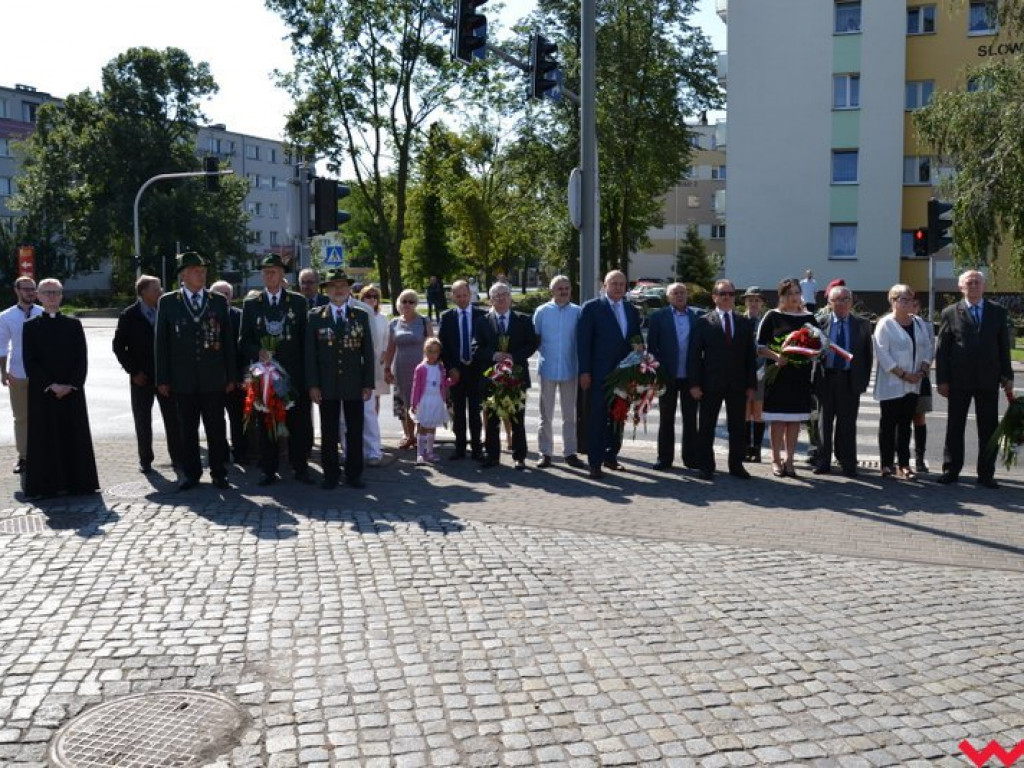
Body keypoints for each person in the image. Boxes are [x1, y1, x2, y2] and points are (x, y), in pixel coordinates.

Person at [154, 251, 236, 491]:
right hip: (183, 380)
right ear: (183, 274)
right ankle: (191, 473)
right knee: (187, 429)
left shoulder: (217, 301)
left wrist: (230, 375)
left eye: (203, 270)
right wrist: (163, 379)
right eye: (196, 271)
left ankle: (219, 473)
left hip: (213, 379)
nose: (201, 274)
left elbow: (228, 342)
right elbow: (161, 344)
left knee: (216, 428)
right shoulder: (168, 302)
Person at [935, 269, 1013, 488]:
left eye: (977, 282)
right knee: (955, 427)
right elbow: (942, 349)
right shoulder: (950, 312)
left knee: (988, 429)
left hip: (989, 379)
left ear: (984, 286)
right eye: (969, 282)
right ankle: (951, 470)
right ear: (961, 287)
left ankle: (986, 474)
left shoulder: (997, 311)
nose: (974, 285)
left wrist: (1007, 375)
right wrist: (942, 379)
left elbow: (1003, 346)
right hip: (959, 379)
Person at [22, 278, 99, 499]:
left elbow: (81, 358)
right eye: (47, 293)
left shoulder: (73, 325)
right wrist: (51, 385)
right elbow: (30, 361)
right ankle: (47, 486)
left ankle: (79, 482)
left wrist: (71, 384)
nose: (52, 296)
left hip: (71, 392)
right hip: (44, 393)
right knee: (45, 438)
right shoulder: (30, 327)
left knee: (73, 436)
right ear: (38, 295)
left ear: (62, 295)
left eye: (55, 292)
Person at [239, 254, 312, 486]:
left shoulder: (298, 302)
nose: (269, 275)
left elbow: (305, 341)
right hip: (265, 376)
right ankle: (268, 470)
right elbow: (243, 340)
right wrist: (258, 351)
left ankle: (300, 467)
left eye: (273, 271)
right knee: (266, 424)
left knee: (298, 424)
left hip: (293, 375)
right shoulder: (252, 304)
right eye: (265, 272)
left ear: (282, 274)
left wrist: (306, 377)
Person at [305, 268, 375, 489]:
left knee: (355, 430)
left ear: (349, 289)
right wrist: (313, 384)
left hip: (354, 383)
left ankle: (354, 474)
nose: (338, 290)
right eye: (334, 286)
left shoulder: (360, 315)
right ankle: (330, 474)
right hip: (327, 384)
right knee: (329, 430)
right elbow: (310, 354)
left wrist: (367, 383)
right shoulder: (315, 317)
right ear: (326, 290)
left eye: (342, 285)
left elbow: (368, 353)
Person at [687, 279, 757, 480]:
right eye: (722, 293)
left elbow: (749, 356)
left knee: (738, 427)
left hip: (738, 384)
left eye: (730, 294)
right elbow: (694, 356)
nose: (727, 297)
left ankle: (736, 465)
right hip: (710, 384)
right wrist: (694, 384)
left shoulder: (744, 323)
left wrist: (751, 384)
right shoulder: (703, 322)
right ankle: (706, 466)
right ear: (714, 297)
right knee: (707, 426)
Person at [112, 275, 182, 474]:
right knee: (142, 420)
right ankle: (145, 459)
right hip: (141, 377)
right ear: (143, 292)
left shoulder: (166, 310)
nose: (160, 292)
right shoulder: (129, 315)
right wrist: (133, 371)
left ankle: (177, 457)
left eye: (160, 288)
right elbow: (118, 346)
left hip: (165, 377)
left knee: (173, 419)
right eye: (156, 289)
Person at [577, 270, 642, 479]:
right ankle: (594, 463)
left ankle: (611, 456)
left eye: (622, 284)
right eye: (613, 283)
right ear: (604, 285)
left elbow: (635, 338)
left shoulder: (631, 310)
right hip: (598, 374)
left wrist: (640, 355)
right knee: (597, 417)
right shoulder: (592, 308)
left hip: (624, 374)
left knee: (619, 416)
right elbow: (583, 342)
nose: (618, 287)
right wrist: (584, 371)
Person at [474, 281, 538, 469]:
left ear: (510, 297)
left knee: (518, 418)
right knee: (492, 419)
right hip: (492, 376)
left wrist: (513, 357)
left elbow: (531, 344)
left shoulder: (524, 320)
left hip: (517, 376)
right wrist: (494, 355)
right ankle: (492, 456)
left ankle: (520, 456)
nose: (501, 298)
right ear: (491, 300)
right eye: (496, 295)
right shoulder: (482, 322)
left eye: (504, 294)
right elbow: (475, 346)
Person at [757, 277, 816, 478]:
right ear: (782, 296)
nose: (794, 297)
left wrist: (812, 353)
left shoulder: (809, 318)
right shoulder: (772, 316)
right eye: (789, 293)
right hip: (779, 374)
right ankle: (775, 459)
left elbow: (818, 345)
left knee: (794, 421)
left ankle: (790, 460)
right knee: (778, 420)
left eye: (797, 293)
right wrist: (776, 357)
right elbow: (759, 346)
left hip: (800, 376)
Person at [873, 285, 934, 480]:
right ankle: (886, 464)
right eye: (903, 299)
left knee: (906, 424)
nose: (907, 303)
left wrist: (923, 370)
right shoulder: (885, 324)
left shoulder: (918, 323)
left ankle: (904, 464)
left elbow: (927, 347)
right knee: (888, 424)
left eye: (910, 299)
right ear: (893, 301)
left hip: (913, 383)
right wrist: (903, 374)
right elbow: (883, 354)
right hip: (893, 383)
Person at [813, 284, 873, 477]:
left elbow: (867, 356)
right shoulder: (818, 322)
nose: (841, 303)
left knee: (847, 424)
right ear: (829, 303)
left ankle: (848, 463)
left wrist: (862, 381)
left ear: (851, 301)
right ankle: (823, 462)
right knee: (824, 423)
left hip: (849, 380)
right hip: (826, 377)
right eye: (837, 300)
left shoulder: (862, 324)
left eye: (845, 299)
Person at [645, 282, 700, 473]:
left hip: (690, 377)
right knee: (666, 418)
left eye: (682, 293)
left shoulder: (697, 316)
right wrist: (656, 373)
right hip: (667, 375)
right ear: (668, 297)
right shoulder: (659, 317)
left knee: (691, 418)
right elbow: (652, 348)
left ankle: (691, 458)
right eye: (675, 293)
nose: (679, 296)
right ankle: (664, 458)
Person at [532, 275, 584, 469]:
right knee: (545, 415)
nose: (564, 291)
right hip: (547, 369)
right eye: (560, 288)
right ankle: (545, 453)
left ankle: (570, 452)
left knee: (569, 414)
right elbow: (535, 340)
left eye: (567, 288)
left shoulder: (578, 312)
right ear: (552, 291)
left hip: (571, 369)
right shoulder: (542, 312)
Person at [438, 280, 486, 460]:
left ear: (470, 294)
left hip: (476, 371)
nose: (462, 299)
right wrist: (450, 368)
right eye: (458, 296)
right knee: (458, 412)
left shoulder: (482, 315)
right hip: (456, 372)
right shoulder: (447, 317)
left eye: (465, 295)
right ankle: (459, 448)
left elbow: (485, 343)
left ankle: (476, 448)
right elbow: (443, 346)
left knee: (475, 411)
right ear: (452, 296)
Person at [0, 276, 42, 474]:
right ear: (17, 291)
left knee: (43, 416)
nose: (30, 292)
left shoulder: (43, 313)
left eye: (32, 288)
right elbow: (1, 347)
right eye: (25, 289)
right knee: (22, 418)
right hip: (18, 373)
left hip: (42, 374)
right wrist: (3, 372)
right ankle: (24, 457)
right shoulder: (6, 316)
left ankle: (45, 453)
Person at [383, 289, 433, 450]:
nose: (407, 304)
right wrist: (387, 369)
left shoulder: (424, 321)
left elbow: (432, 346)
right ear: (399, 303)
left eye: (411, 301)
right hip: (401, 369)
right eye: (404, 301)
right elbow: (391, 348)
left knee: (422, 403)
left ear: (416, 304)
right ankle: (410, 436)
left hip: (422, 369)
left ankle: (422, 437)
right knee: (406, 404)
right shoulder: (394, 323)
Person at [210, 281, 249, 466]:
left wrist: (240, 378)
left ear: (232, 297)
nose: (223, 297)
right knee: (216, 421)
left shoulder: (240, 316)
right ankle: (221, 453)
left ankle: (240, 452)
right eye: (219, 293)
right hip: (214, 380)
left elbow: (244, 350)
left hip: (237, 379)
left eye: (226, 293)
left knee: (238, 420)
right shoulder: (207, 316)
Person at [359, 284, 390, 466]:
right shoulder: (357, 314)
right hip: (359, 367)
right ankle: (359, 447)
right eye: (368, 296)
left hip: (376, 364)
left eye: (374, 296)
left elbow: (385, 340)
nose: (371, 299)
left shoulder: (381, 318)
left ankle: (373, 449)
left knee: (371, 408)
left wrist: (383, 359)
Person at [410, 337, 452, 464]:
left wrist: (451, 381)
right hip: (424, 400)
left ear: (439, 353)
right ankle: (420, 454)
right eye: (430, 351)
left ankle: (430, 452)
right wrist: (414, 403)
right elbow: (416, 387)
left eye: (435, 352)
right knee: (422, 426)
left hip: (436, 400)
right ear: (425, 351)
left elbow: (443, 384)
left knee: (432, 426)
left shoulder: (440, 368)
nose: (432, 355)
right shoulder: (421, 368)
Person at [740, 286, 766, 462]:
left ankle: (756, 449)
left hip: (760, 373)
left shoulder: (767, 322)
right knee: (743, 412)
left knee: (758, 412)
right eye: (750, 300)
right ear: (745, 302)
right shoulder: (738, 320)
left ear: (762, 303)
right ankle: (743, 448)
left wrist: (763, 369)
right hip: (741, 373)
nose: (753, 303)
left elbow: (772, 347)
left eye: (757, 300)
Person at [911, 295, 935, 473]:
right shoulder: (891, 323)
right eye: (904, 302)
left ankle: (920, 458)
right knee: (899, 420)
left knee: (919, 418)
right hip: (900, 378)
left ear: (918, 307)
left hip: (921, 377)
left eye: (913, 304)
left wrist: (923, 371)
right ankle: (899, 457)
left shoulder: (925, 325)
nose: (910, 307)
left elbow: (930, 349)